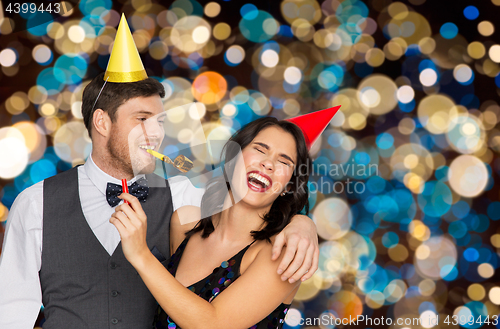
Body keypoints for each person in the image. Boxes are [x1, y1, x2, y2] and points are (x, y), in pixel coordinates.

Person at [0, 15, 320, 328]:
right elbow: (11, 314)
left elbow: (250, 211)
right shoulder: (35, 205)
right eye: (142, 119)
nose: (155, 134)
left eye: (160, 122)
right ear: (102, 122)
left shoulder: (180, 197)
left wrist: (302, 225)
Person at [110, 106, 340, 329]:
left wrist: (140, 255)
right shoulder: (185, 222)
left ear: (288, 187)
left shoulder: (281, 254)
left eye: (283, 161)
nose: (268, 163)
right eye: (260, 149)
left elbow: (213, 323)